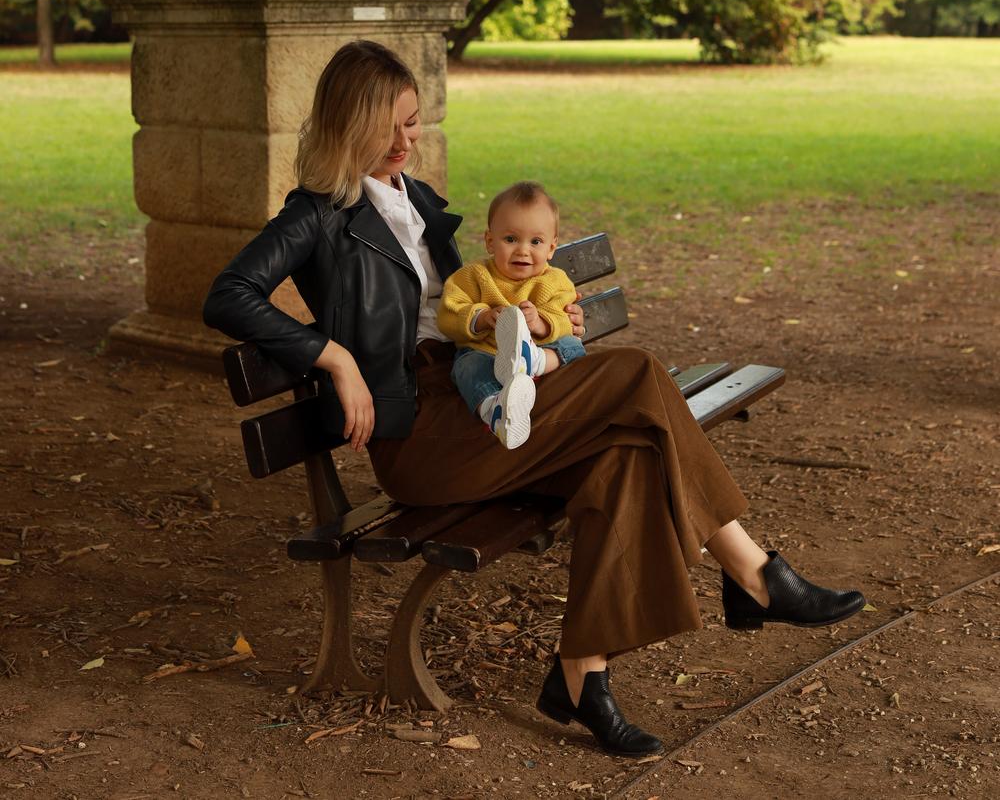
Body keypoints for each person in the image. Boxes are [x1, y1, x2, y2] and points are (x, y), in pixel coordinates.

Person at [203, 40, 866, 759]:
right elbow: (228, 294)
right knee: (639, 374)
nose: (403, 141)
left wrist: (549, 313)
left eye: (412, 122)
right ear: (345, 125)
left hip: (478, 398)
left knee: (625, 455)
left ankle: (582, 675)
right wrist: (334, 358)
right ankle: (755, 575)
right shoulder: (316, 215)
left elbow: (469, 301)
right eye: (384, 127)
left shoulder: (415, 202)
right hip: (422, 435)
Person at [436, 180, 586, 447]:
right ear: (490, 241)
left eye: (536, 241)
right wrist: (481, 318)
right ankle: (495, 411)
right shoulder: (474, 276)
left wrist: (541, 322)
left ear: (551, 248)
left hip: (542, 355)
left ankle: (532, 360)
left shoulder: (555, 281)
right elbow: (449, 313)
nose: (523, 250)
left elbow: (565, 320)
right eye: (510, 239)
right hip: (487, 354)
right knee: (466, 368)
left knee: (573, 346)